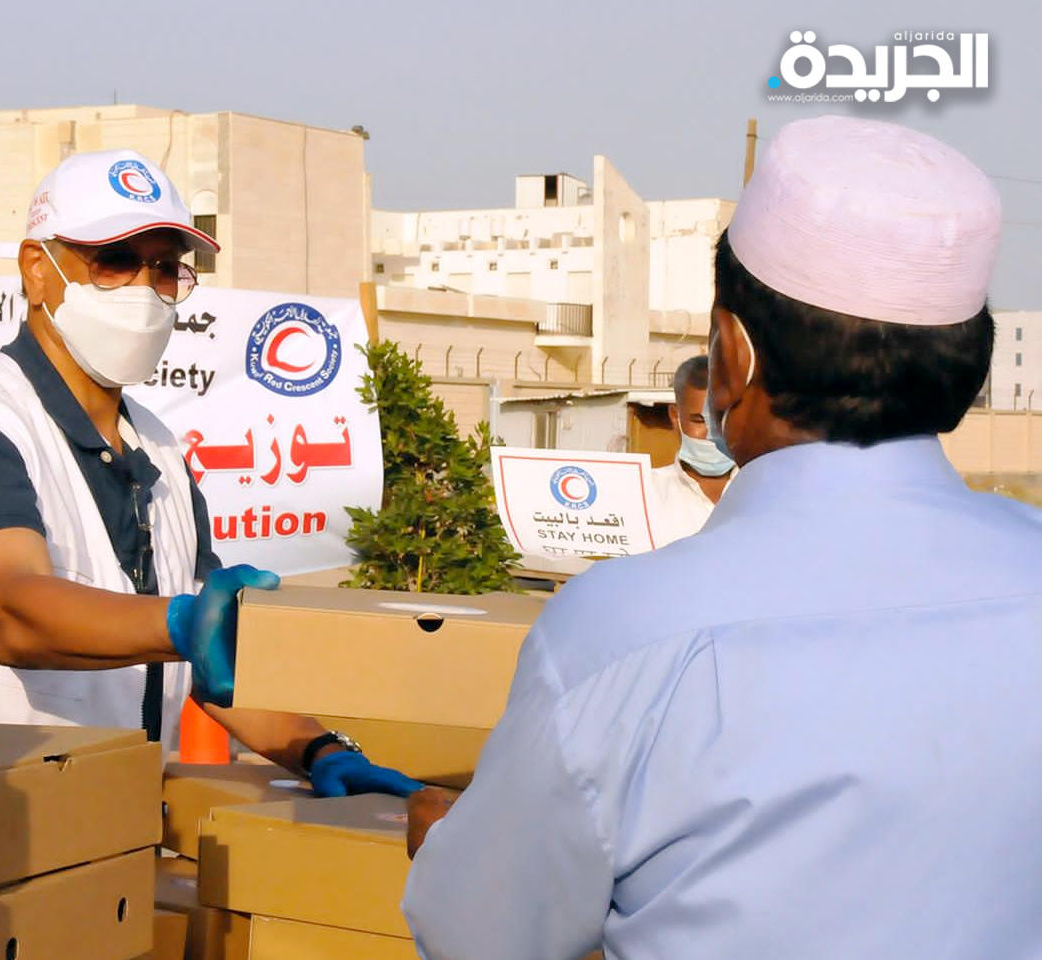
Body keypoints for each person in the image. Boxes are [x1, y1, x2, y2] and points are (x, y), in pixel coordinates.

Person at [402, 116, 1042, 959]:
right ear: (967, 365)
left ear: (732, 355)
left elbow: (479, 933)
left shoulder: (623, 631)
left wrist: (445, 847)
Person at [0, 149, 419, 798]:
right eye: (114, 261)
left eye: (165, 269)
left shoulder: (161, 451)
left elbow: (212, 660)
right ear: (37, 270)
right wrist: (179, 623)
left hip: (115, 836)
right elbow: (13, 610)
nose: (144, 290)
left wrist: (318, 750)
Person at [649, 355, 735, 545]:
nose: (711, 434)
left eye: (720, 421)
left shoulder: (763, 492)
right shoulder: (646, 495)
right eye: (699, 421)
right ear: (675, 416)